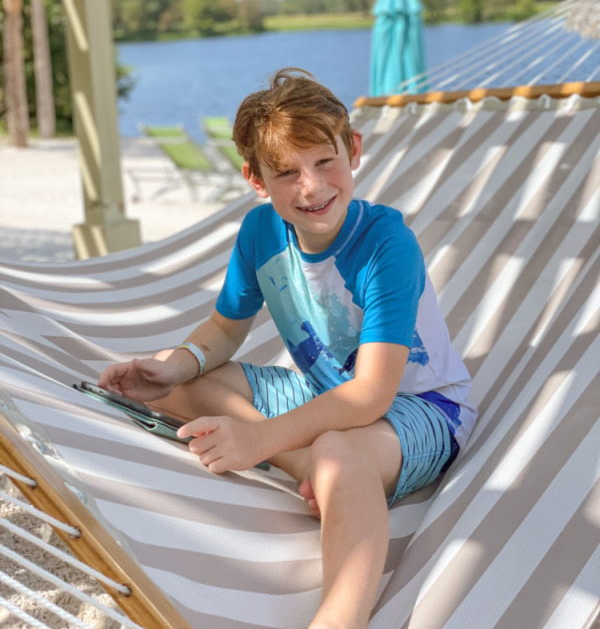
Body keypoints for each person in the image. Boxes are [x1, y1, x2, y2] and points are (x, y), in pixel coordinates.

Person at [99, 68, 477, 629]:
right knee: (184, 388)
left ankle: (339, 617)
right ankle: (310, 466)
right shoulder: (259, 233)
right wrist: (171, 365)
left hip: (417, 408)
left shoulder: (386, 244)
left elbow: (372, 394)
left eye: (325, 162)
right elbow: (225, 329)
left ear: (352, 151)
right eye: (286, 172)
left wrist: (258, 438)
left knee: (339, 452)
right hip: (323, 390)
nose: (311, 187)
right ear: (256, 180)